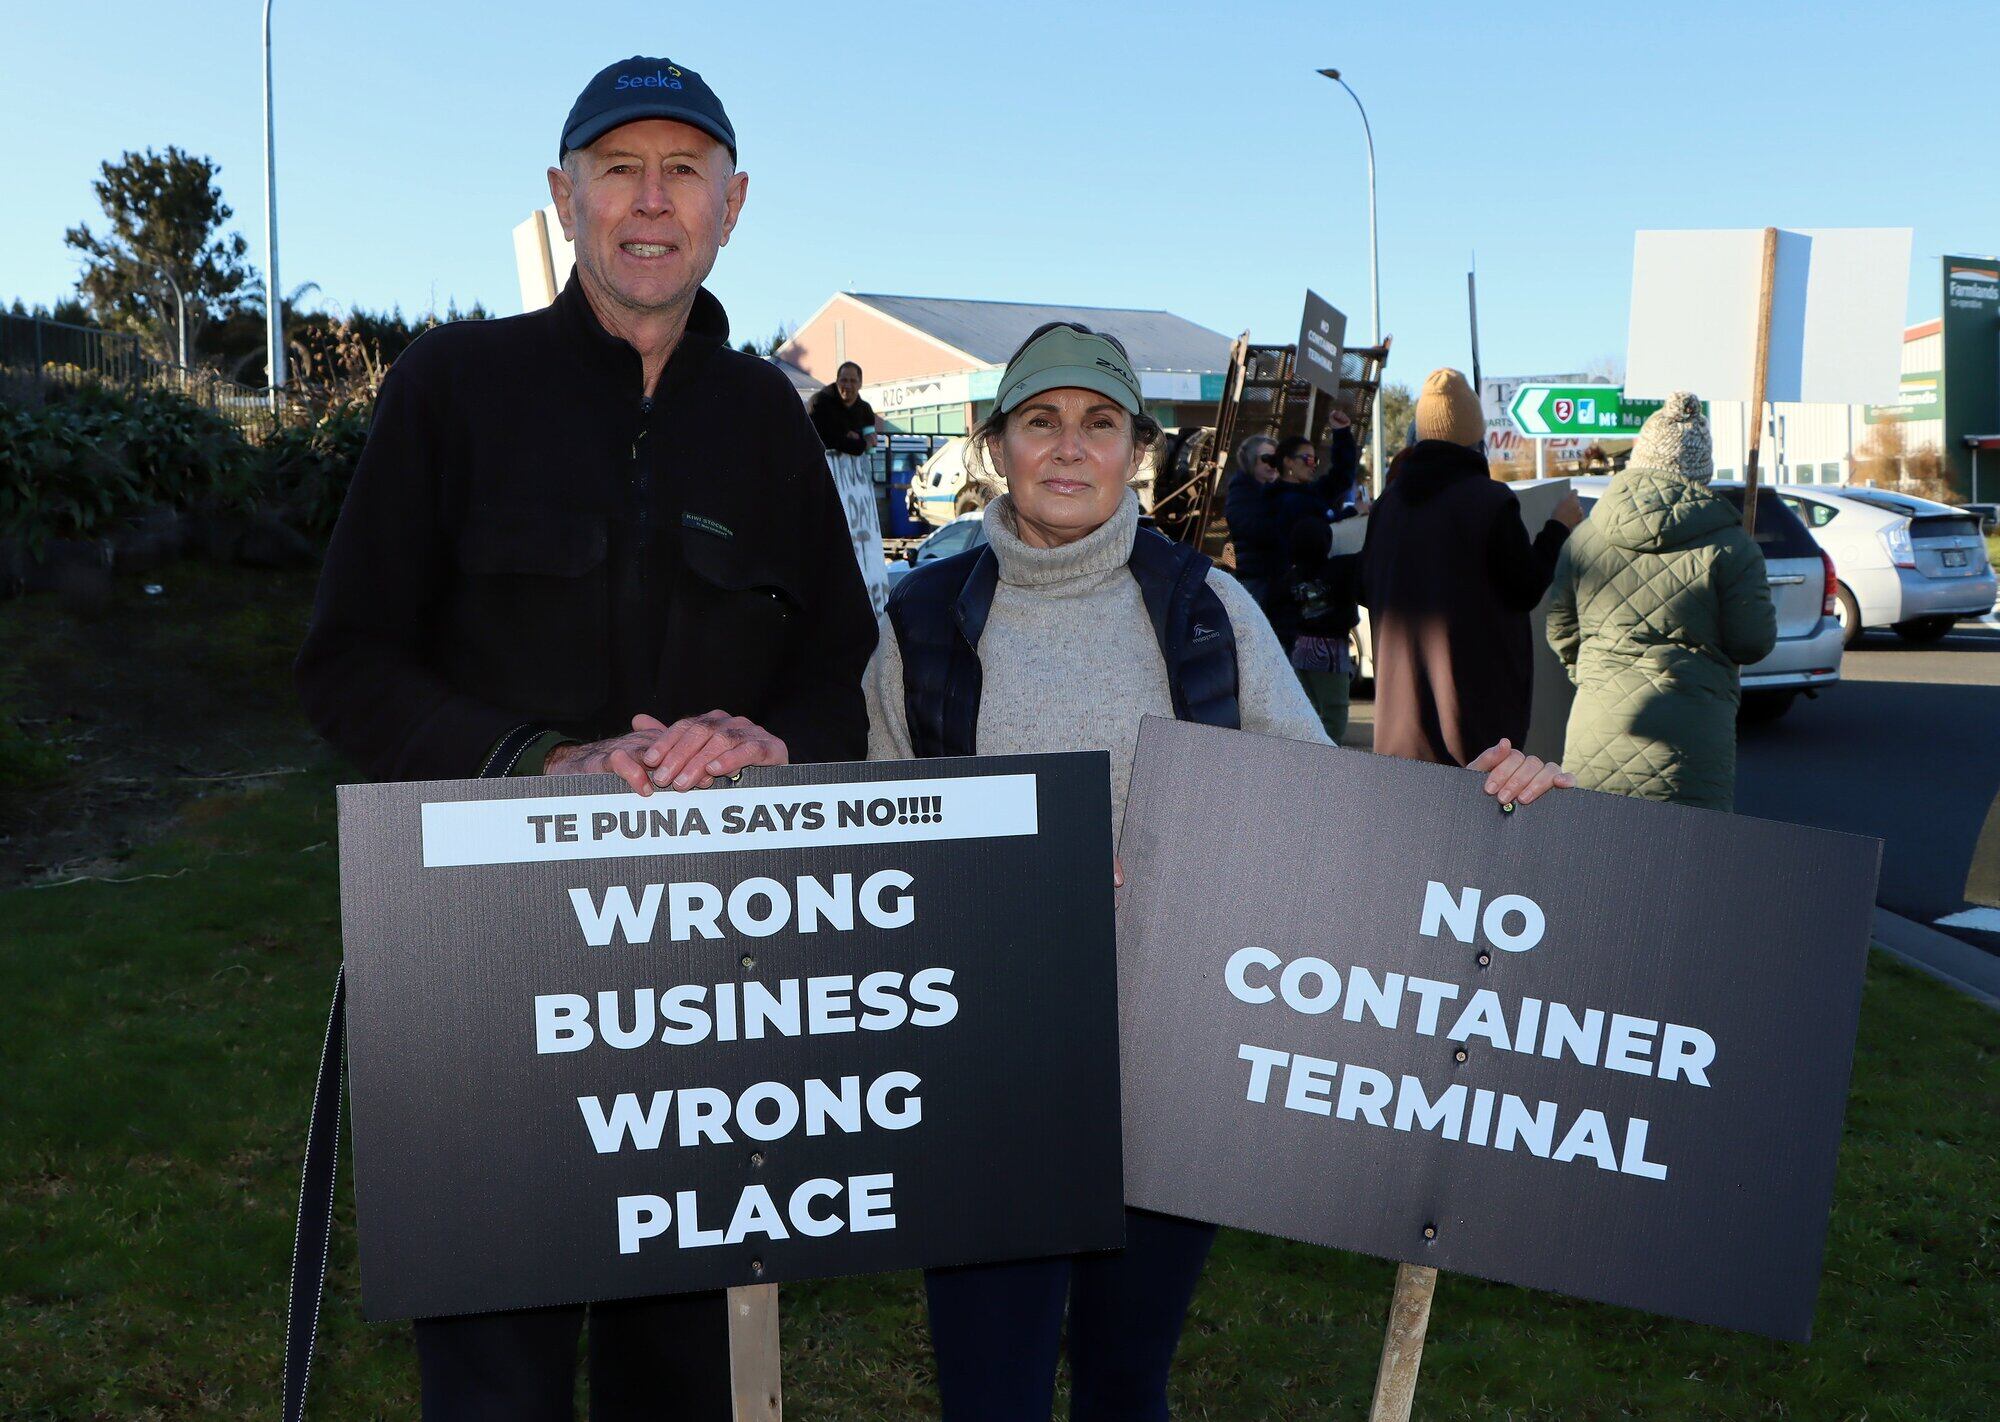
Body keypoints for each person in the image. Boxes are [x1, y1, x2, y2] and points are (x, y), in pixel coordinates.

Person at [293, 55, 877, 1421]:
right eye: (621, 169)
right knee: (494, 1375)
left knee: (685, 1373)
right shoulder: (454, 385)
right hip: (486, 972)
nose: (652, 201)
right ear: (565, 198)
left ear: (734, 206)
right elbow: (345, 660)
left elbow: (838, 684)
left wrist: (775, 743)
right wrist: (530, 764)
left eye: (686, 172)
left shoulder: (770, 427)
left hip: (711, 985)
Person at [864, 322, 1572, 1422]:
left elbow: (1322, 820)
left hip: (1170, 1069)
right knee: (988, 1392)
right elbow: (872, 847)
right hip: (988, 1071)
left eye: (1098, 424)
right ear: (993, 445)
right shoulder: (915, 624)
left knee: (1124, 1383)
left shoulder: (1207, 610)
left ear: (1137, 450)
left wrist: (1486, 810)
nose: (1067, 448)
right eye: (1038, 422)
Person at [1546, 392, 1777, 809]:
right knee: (1683, 867)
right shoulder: (1732, 547)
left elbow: (1560, 630)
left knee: (1592, 864)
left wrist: (1595, 674)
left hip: (1595, 726)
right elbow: (1752, 642)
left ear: (1639, 458)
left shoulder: (1585, 537)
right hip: (1692, 740)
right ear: (1701, 471)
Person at [1360, 367, 1583, 767]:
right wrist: (1557, 528)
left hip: (1399, 729)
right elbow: (1526, 585)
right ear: (1475, 437)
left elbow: (1369, 586)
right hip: (1473, 729)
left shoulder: (1387, 505)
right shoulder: (1489, 502)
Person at [1223, 432, 1281, 604]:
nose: (1272, 465)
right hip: (1257, 578)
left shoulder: (1275, 490)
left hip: (1278, 577)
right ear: (1250, 460)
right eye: (1266, 459)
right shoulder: (1241, 490)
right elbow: (1249, 528)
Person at [809, 359, 877, 456]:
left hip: (856, 469)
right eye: (843, 380)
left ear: (860, 383)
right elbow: (825, 440)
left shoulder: (865, 409)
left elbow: (871, 445)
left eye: (853, 381)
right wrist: (860, 443)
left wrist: (858, 441)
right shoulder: (819, 402)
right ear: (837, 381)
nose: (848, 385)